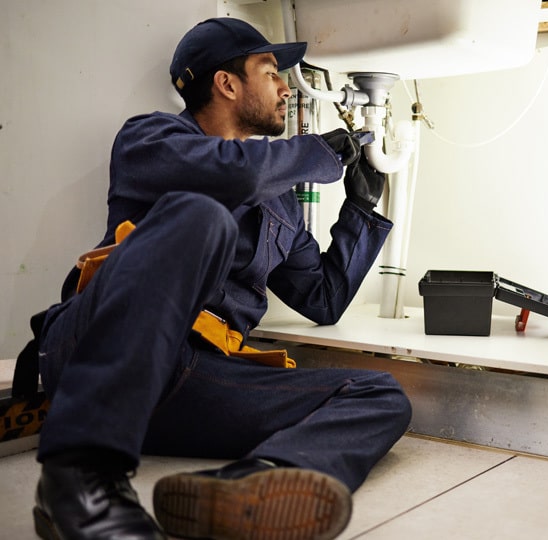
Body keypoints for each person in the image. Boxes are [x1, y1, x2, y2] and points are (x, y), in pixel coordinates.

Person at [28, 17, 412, 540]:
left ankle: (253, 484)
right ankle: (77, 482)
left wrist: (360, 210)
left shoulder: (281, 203)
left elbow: (323, 298)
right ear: (227, 84)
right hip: (100, 356)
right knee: (200, 217)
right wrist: (315, 156)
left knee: (379, 394)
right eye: (271, 71)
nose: (284, 88)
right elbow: (237, 172)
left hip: (195, 381)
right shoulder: (151, 138)